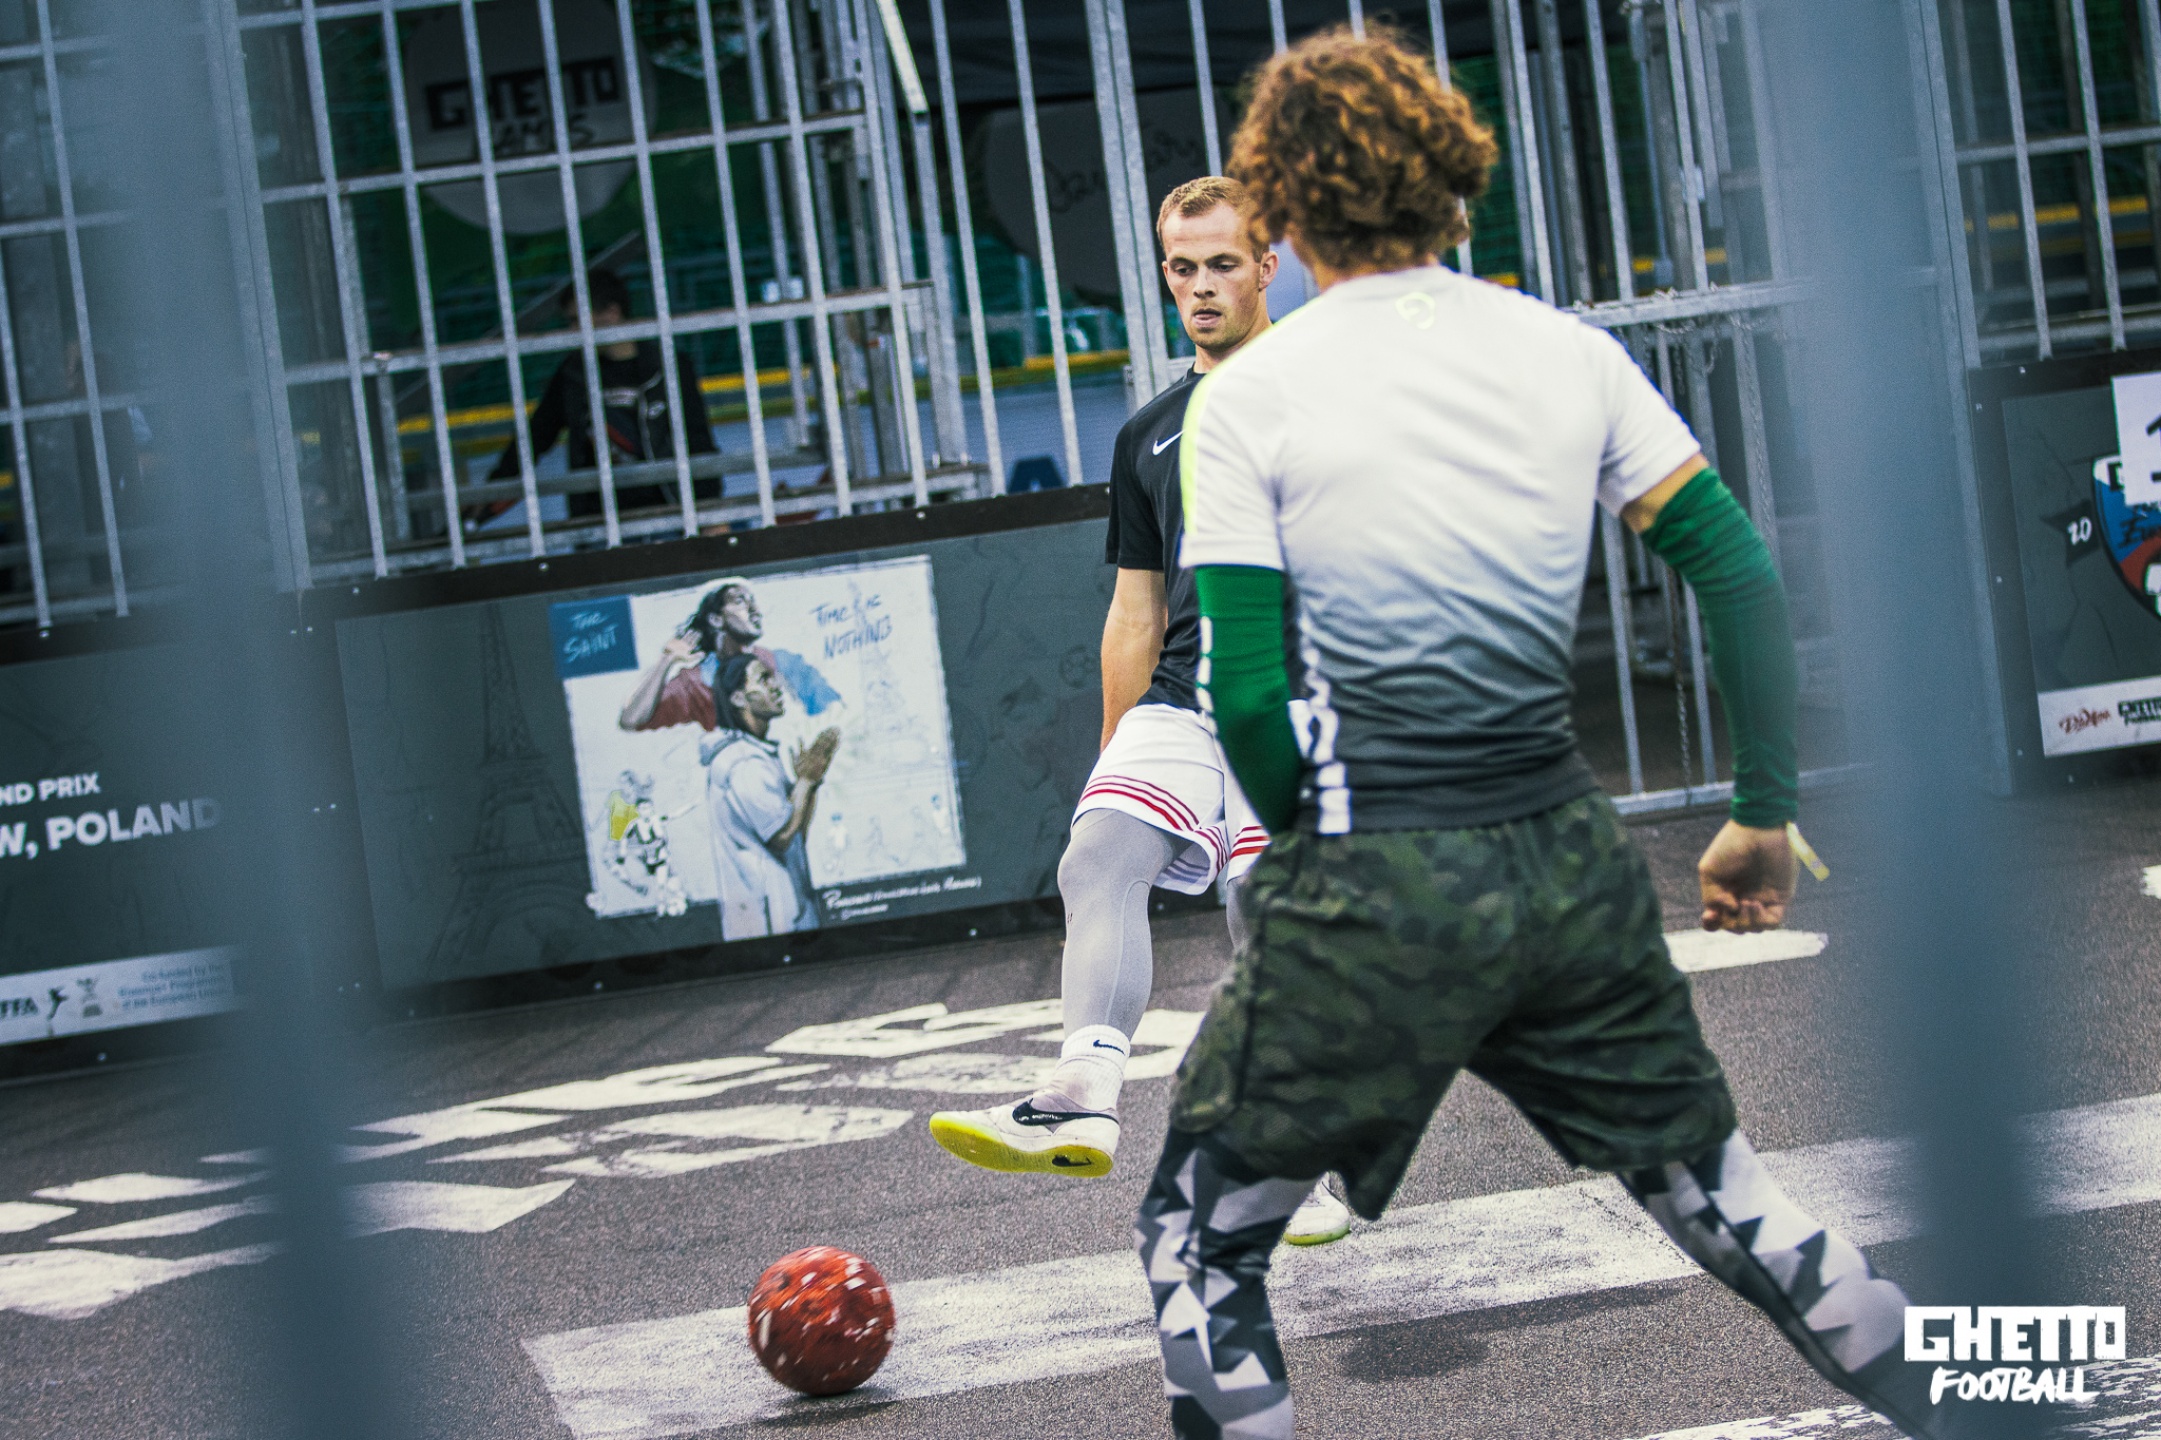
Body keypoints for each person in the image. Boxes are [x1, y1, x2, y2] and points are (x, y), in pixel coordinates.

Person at [1136, 28, 1955, 1440]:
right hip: (1567, 866)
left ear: (1282, 211)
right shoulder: (1568, 353)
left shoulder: (1244, 398)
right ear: (1452, 179)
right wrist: (1761, 809)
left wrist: (1314, 868)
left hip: (1375, 878)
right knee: (1728, 1203)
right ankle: (1995, 1403)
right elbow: (1740, 577)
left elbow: (1248, 698)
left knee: (1199, 1244)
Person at [927, 178, 1354, 1247]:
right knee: (1099, 854)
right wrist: (1117, 751)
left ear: (1268, 267)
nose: (1201, 286)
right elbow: (1135, 610)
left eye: (1223, 264)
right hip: (1182, 695)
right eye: (1182, 267)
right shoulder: (1149, 433)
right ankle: (1080, 1094)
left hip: (1305, 698)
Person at [474, 267, 717, 529]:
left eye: (577, 320)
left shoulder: (669, 367)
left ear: (612, 313)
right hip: (599, 522)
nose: (572, 331)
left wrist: (710, 511)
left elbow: (697, 439)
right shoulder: (573, 374)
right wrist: (490, 493)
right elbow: (535, 438)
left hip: (669, 515)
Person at [700, 650, 839, 940]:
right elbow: (781, 837)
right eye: (764, 679)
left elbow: (796, 834)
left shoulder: (757, 754)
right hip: (771, 923)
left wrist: (810, 783)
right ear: (738, 698)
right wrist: (805, 780)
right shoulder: (743, 762)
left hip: (788, 914)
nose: (776, 686)